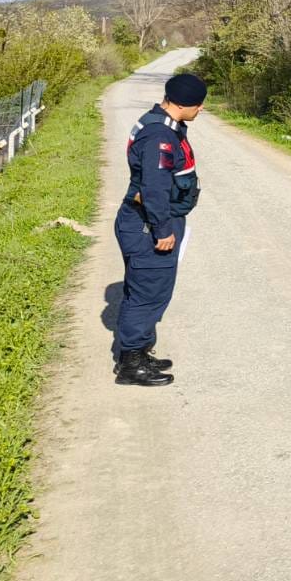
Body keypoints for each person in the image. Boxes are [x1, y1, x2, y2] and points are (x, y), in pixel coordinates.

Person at [114, 71, 206, 386]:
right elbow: (153, 188)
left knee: (147, 290)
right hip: (147, 225)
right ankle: (131, 365)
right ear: (187, 104)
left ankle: (139, 351)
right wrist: (162, 229)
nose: (201, 110)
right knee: (147, 293)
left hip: (146, 221)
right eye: (199, 104)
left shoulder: (162, 123)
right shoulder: (159, 136)